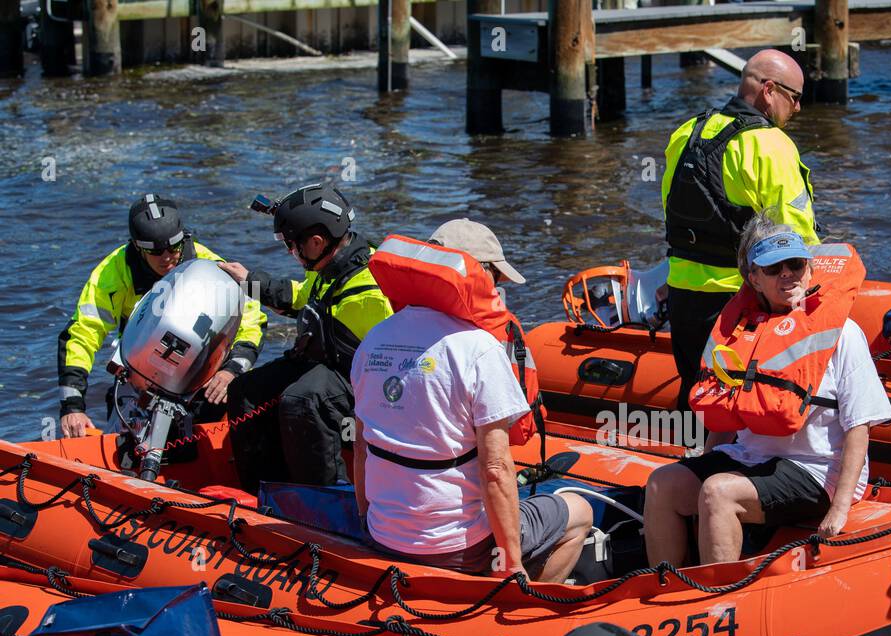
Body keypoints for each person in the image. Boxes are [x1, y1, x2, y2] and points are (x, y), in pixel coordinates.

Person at [643, 217, 891, 567]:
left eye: (796, 264)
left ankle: (717, 603)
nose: (787, 274)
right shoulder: (739, 330)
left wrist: (839, 509)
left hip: (816, 469)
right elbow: (727, 406)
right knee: (662, 484)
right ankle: (666, 589)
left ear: (810, 271)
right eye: (774, 268)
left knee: (719, 492)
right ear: (754, 278)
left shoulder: (842, 333)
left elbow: (860, 424)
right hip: (751, 456)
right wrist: (704, 462)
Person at [351, 237, 591, 583]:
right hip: (460, 547)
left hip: (382, 535)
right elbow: (495, 469)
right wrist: (511, 563)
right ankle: (519, 607)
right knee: (579, 512)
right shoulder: (478, 348)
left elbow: (361, 448)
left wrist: (365, 521)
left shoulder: (373, 341)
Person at [661, 48, 820, 410]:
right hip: (737, 302)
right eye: (793, 97)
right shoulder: (769, 145)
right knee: (739, 405)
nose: (797, 108)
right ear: (769, 90)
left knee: (696, 396)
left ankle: (692, 463)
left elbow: (670, 209)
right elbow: (795, 234)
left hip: (682, 296)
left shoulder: (687, 131)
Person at [218, 183, 392, 491]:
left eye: (291, 245)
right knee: (246, 390)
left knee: (304, 400)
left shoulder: (372, 292)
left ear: (315, 242)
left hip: (369, 381)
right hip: (331, 362)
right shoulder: (327, 264)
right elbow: (302, 299)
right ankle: (264, 494)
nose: (289, 252)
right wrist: (250, 281)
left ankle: (327, 503)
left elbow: (391, 365)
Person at [57, 194, 266, 438]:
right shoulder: (112, 272)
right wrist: (72, 406)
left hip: (206, 375)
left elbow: (253, 320)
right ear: (137, 247)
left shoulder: (212, 267)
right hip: (139, 373)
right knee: (122, 439)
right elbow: (83, 333)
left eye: (173, 247)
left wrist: (232, 370)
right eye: (155, 251)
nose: (167, 257)